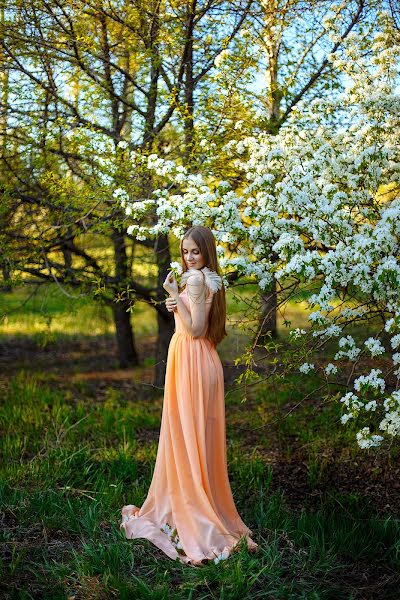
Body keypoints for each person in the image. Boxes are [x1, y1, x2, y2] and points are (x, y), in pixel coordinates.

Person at [120, 225, 258, 566]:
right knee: (197, 437)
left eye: (195, 251)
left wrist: (175, 302)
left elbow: (195, 328)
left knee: (186, 435)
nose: (189, 257)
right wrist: (173, 294)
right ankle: (201, 501)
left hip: (191, 360)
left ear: (207, 252)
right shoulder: (208, 279)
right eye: (184, 252)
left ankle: (192, 511)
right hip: (203, 360)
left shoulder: (196, 280)